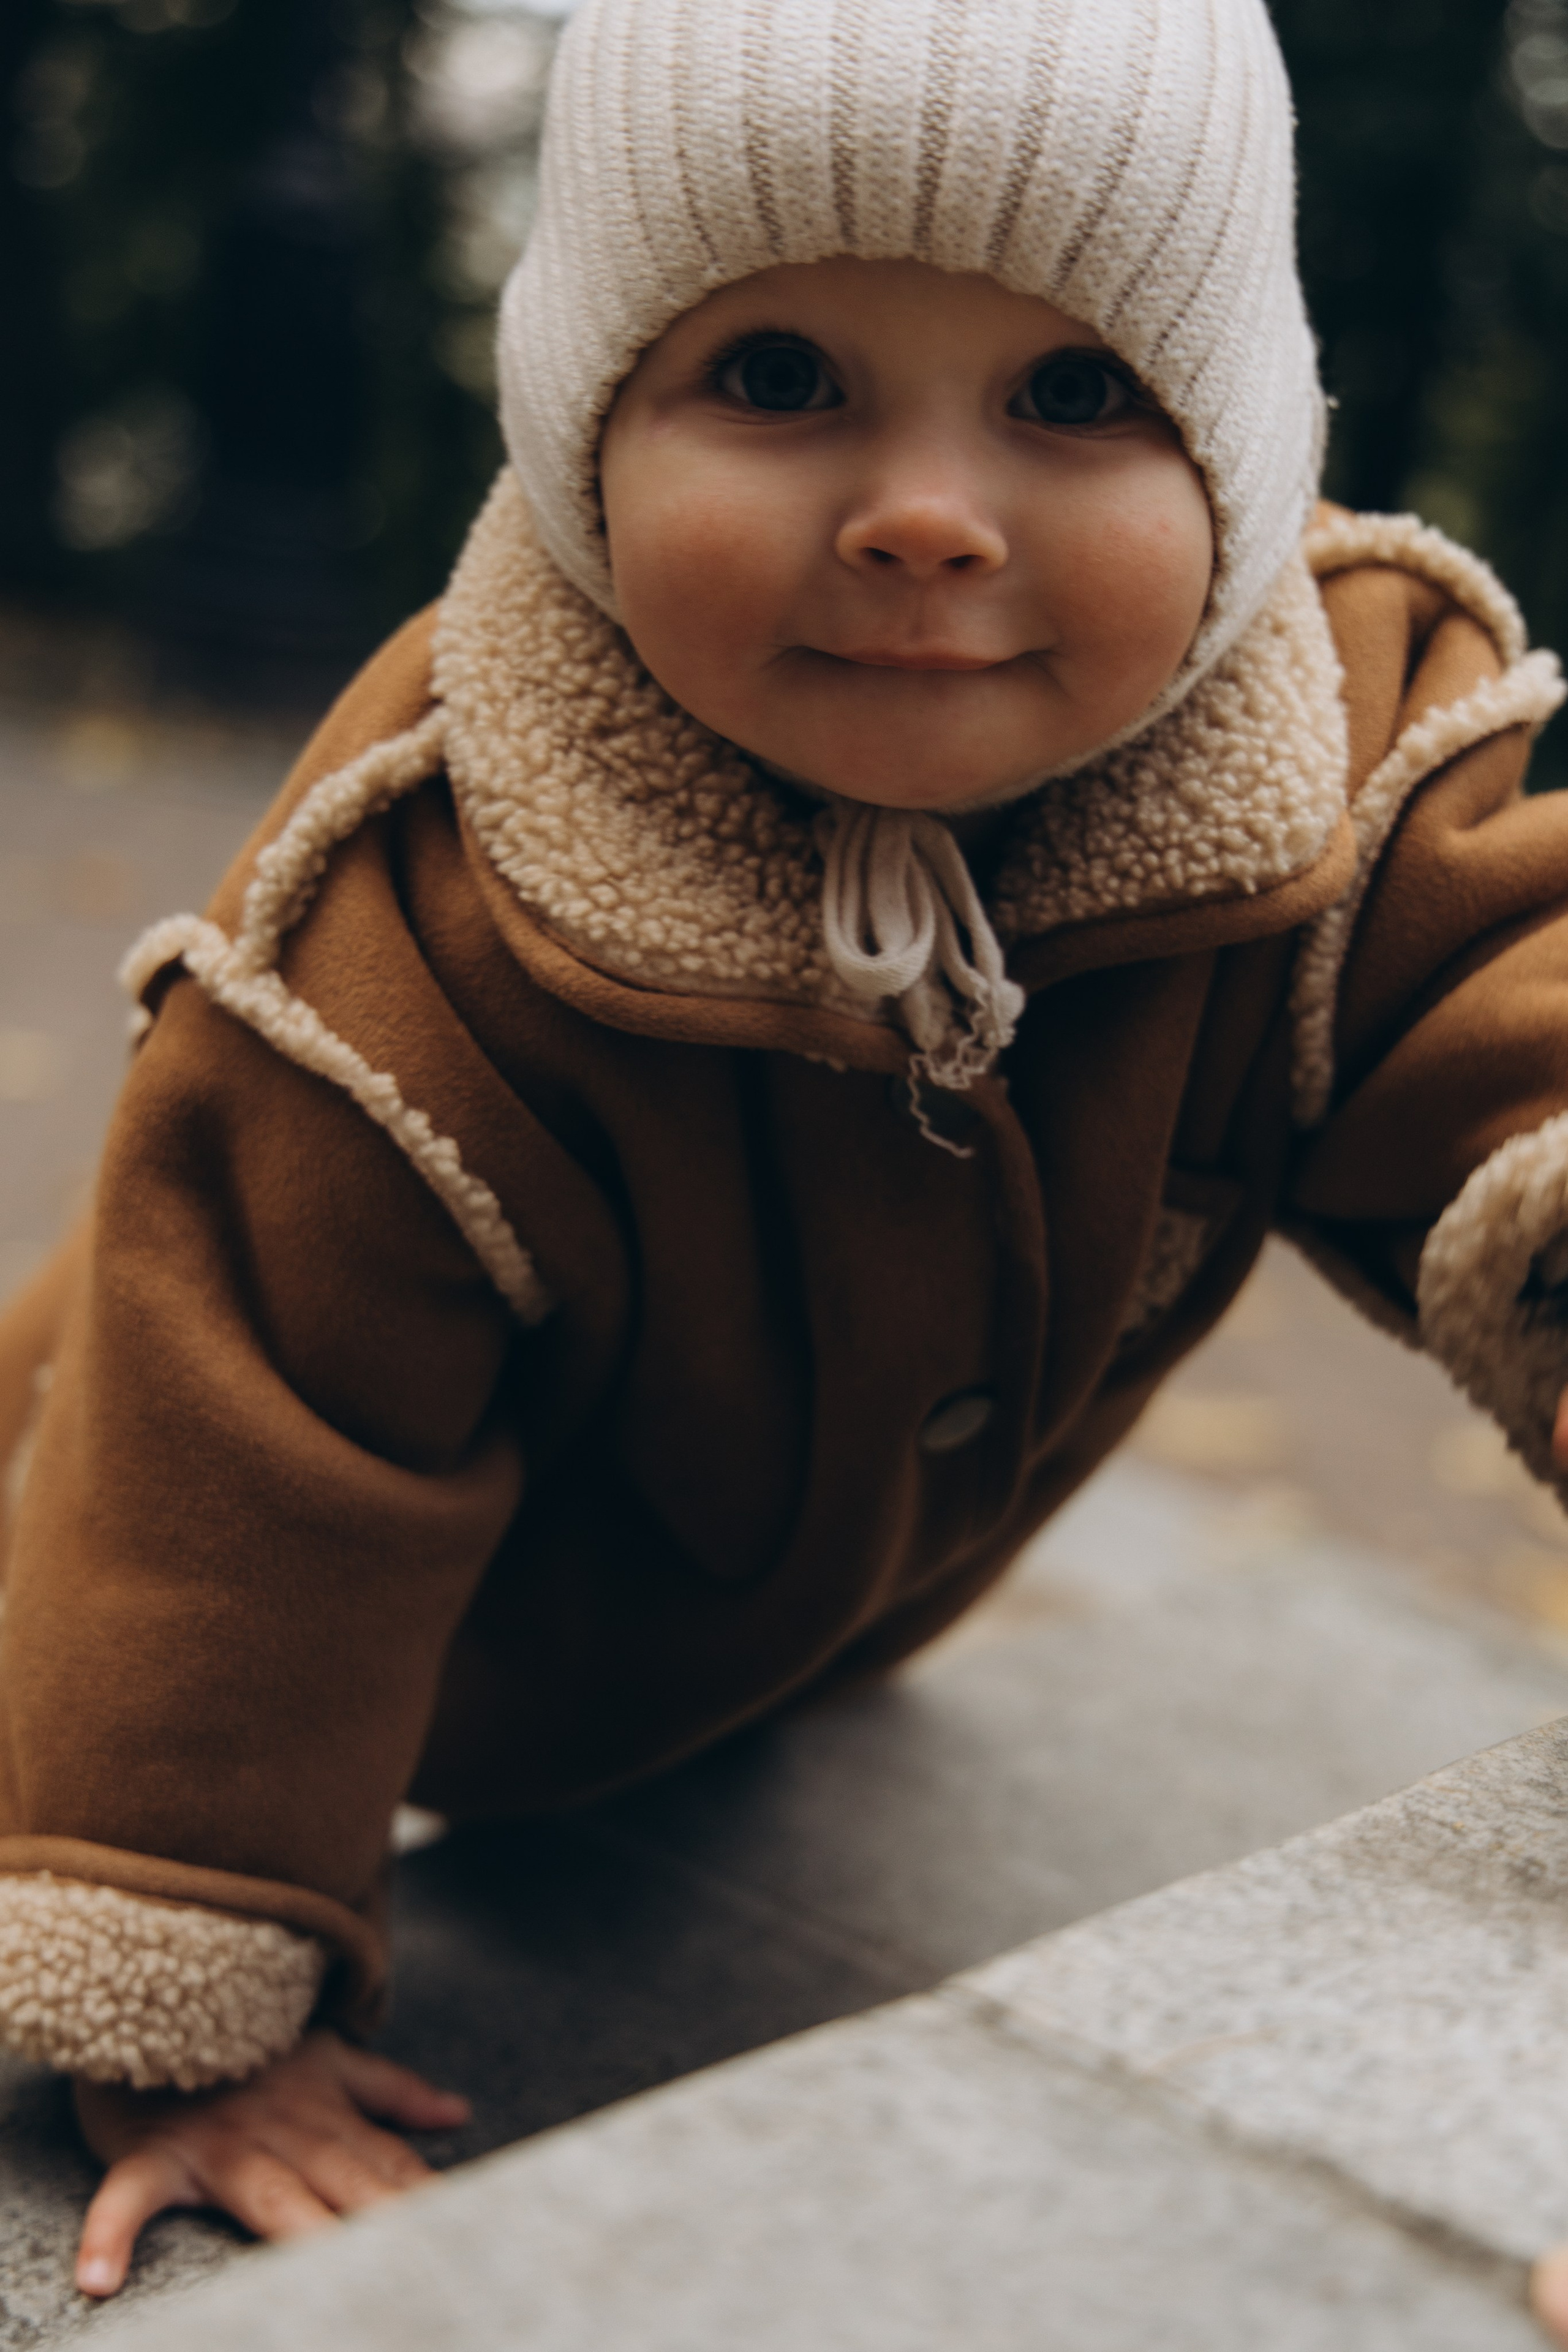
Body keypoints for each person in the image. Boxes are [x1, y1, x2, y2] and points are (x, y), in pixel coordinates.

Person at [5, 0, 1568, 2321]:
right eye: (777, 376)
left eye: (1074, 394)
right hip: (202, 1600)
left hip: (760, 1619)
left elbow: (1513, 1026)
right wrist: (184, 2012)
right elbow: (236, 1457)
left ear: (1246, 450)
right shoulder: (416, 931)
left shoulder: (1338, 760)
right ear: (584, 423)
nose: (926, 512)